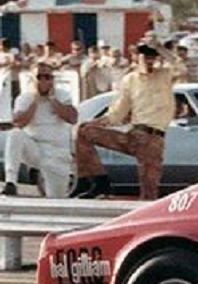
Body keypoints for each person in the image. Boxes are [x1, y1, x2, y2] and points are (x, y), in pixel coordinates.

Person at [70, 40, 176, 200]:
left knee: (148, 193)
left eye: (152, 57)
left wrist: (160, 48)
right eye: (145, 56)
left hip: (153, 139)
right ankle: (96, 180)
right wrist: (96, 123)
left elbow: (179, 65)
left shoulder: (164, 76)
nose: (149, 60)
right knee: (84, 131)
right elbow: (117, 112)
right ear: (136, 58)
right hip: (133, 135)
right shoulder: (130, 80)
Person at [2, 61, 78, 197]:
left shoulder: (63, 95)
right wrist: (35, 100)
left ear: (52, 79)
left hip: (57, 153)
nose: (43, 80)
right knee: (15, 134)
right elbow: (19, 122)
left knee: (56, 199)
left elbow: (72, 118)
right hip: (35, 147)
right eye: (39, 77)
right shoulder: (25, 98)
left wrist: (52, 99)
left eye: (47, 77)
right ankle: (11, 182)